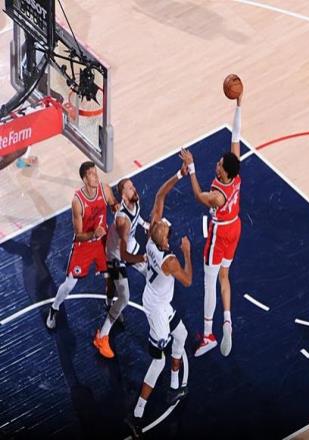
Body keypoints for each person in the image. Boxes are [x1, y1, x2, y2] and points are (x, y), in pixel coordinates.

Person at [126, 167, 192, 439]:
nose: (167, 226)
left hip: (158, 299)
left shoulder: (152, 238)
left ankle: (175, 386)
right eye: (167, 229)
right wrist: (187, 253)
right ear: (164, 238)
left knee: (182, 335)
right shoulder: (171, 261)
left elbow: (159, 196)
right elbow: (188, 280)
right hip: (155, 308)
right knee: (158, 362)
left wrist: (180, 174)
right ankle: (137, 414)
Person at [180, 94, 242, 358]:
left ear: (223, 172)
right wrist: (239, 105)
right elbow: (236, 136)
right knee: (224, 276)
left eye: (219, 164)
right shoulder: (236, 175)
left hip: (220, 234)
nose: (216, 164)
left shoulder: (217, 195)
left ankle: (208, 335)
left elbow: (198, 196)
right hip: (235, 228)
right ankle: (227, 319)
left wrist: (191, 167)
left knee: (209, 282)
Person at [46, 161, 119, 329]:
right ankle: (54, 308)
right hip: (84, 245)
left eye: (96, 173)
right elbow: (78, 235)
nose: (96, 176)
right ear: (85, 179)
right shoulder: (77, 201)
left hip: (103, 243)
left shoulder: (104, 189)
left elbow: (113, 204)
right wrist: (93, 234)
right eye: (91, 174)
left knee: (111, 279)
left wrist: (117, 209)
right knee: (69, 284)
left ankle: (109, 304)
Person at [93, 177, 149, 358]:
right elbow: (124, 256)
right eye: (130, 188)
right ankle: (101, 337)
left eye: (133, 185)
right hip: (116, 256)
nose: (135, 189)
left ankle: (110, 304)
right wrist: (142, 257)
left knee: (148, 274)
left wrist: (146, 225)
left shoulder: (135, 202)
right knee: (124, 297)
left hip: (126, 247)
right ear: (124, 196)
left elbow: (137, 216)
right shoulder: (122, 220)